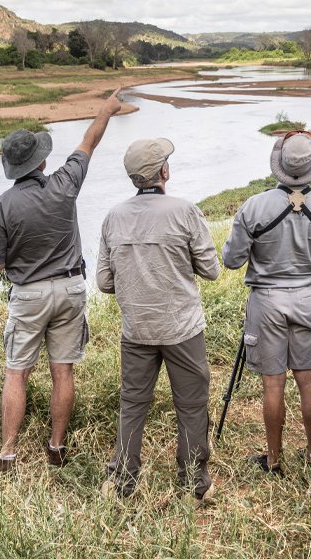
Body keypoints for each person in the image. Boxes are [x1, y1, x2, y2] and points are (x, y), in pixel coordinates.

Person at [0, 89, 122, 471]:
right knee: (63, 370)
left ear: (12, 168)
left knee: (17, 372)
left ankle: (7, 454)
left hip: (29, 294)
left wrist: (18, 256)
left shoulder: (1, 207)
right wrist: (106, 110)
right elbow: (89, 140)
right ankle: (56, 447)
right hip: (71, 287)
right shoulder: (65, 183)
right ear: (42, 161)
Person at [222, 131, 311, 474]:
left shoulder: (254, 206)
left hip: (266, 300)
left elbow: (232, 260)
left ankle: (275, 459)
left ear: (279, 165)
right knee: (309, 380)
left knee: (273, 382)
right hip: (308, 297)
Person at [96, 138, 220, 501]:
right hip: (181, 327)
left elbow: (104, 282)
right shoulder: (184, 211)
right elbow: (211, 270)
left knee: (133, 403)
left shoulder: (112, 217)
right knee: (192, 403)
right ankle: (194, 483)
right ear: (163, 172)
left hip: (136, 329)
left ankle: (122, 482)